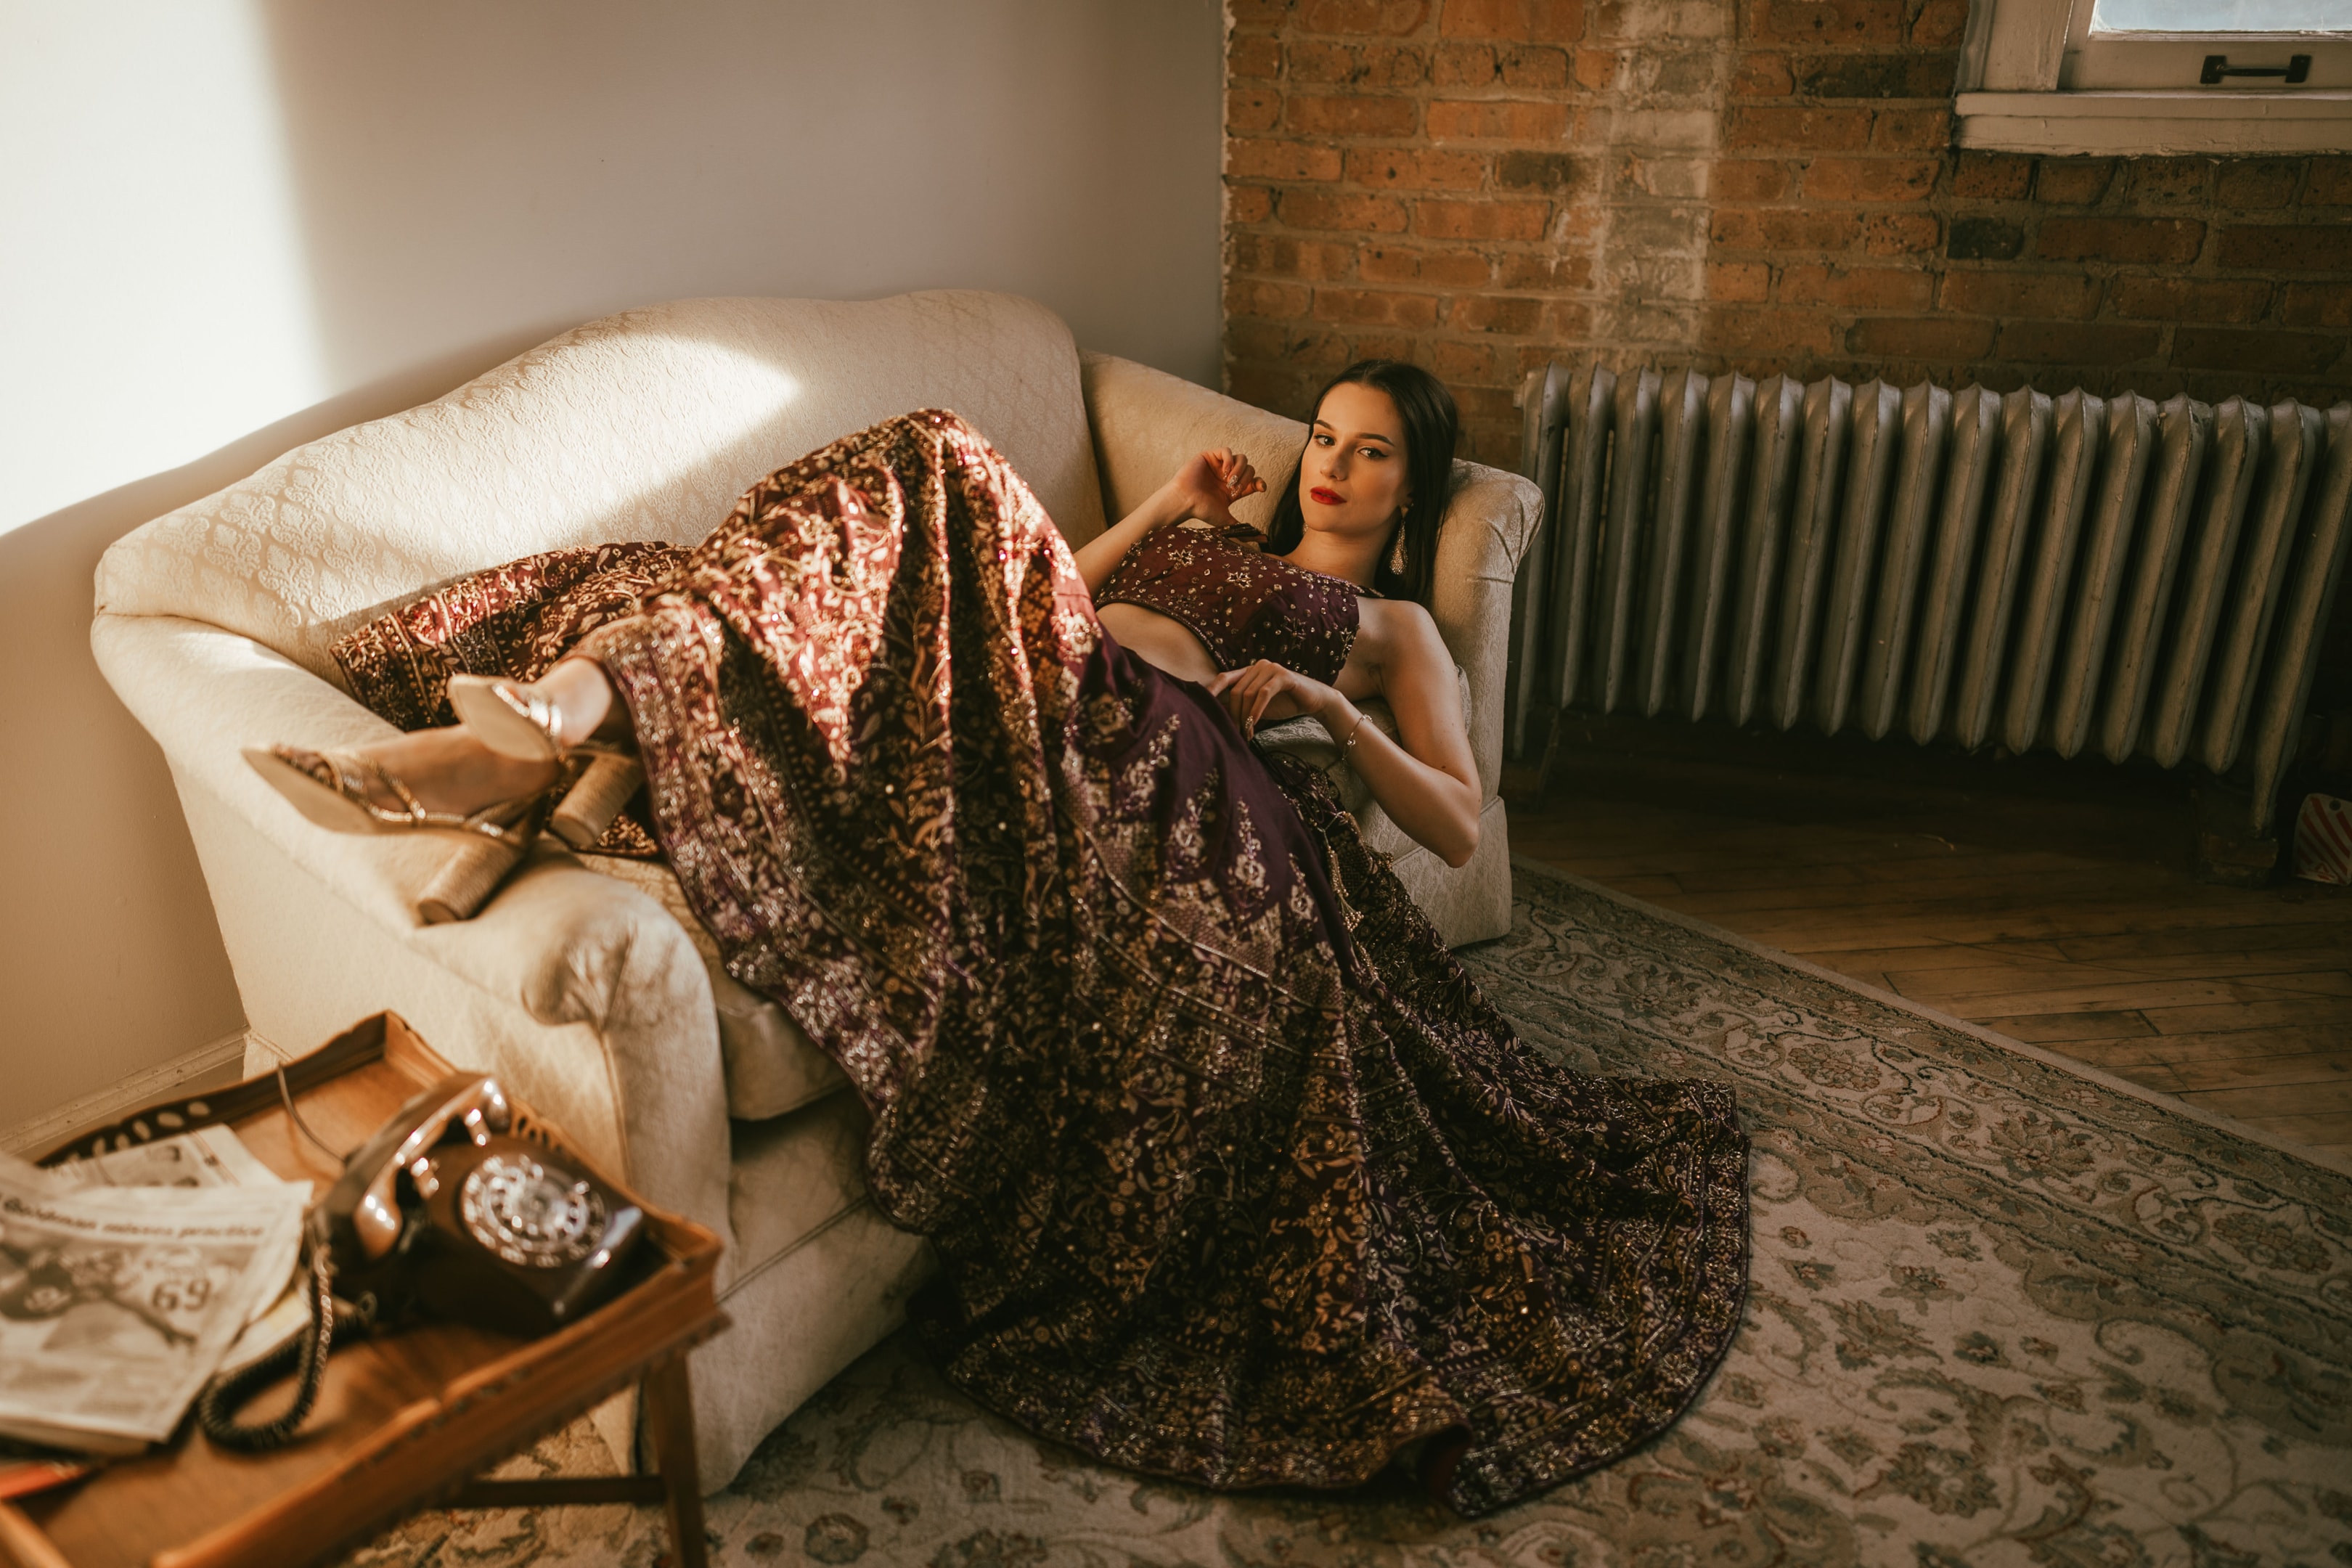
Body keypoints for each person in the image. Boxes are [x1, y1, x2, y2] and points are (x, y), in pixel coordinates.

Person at [248, 362, 1749, 1516]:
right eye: (1329, 437)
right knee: (883, 497)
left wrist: (1340, 716)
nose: (1340, 465)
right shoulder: (1208, 531)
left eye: (1376, 450)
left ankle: (565, 739)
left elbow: (1461, 830)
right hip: (1046, 706)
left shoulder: (1398, 628)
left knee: (939, 451)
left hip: (1169, 773)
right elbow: (1047, 602)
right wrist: (1168, 512)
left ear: (1413, 488)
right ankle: (568, 721)